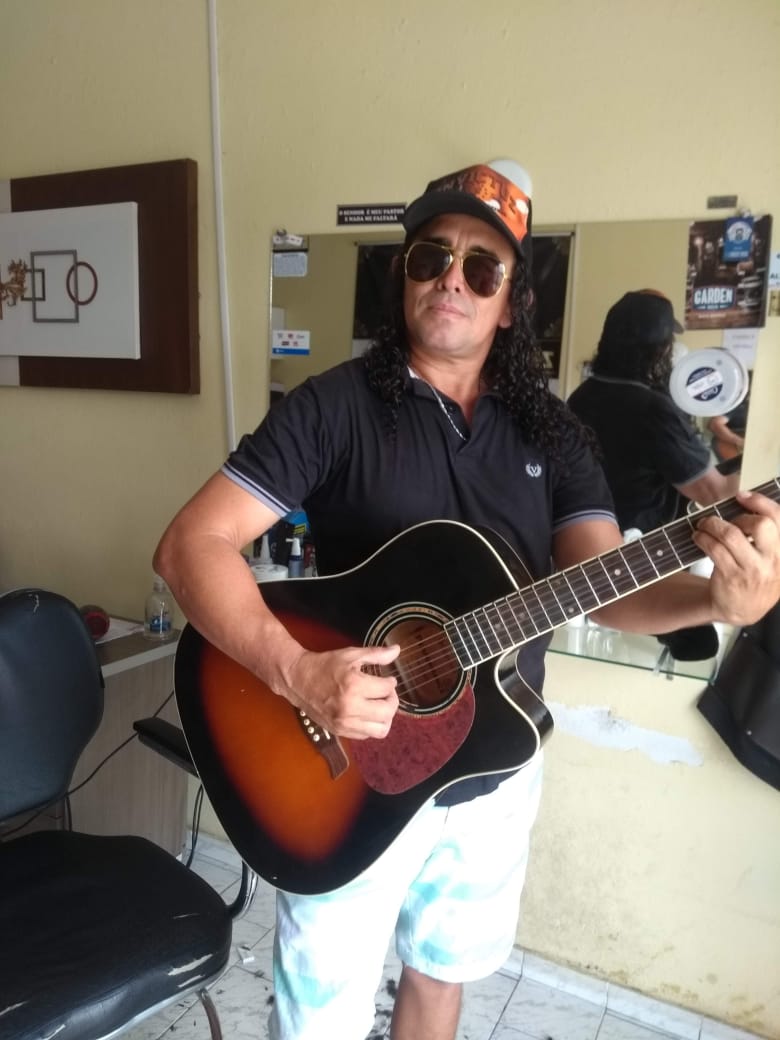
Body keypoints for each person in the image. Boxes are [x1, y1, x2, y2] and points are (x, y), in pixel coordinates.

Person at [153, 160, 780, 1040]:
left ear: (511, 302)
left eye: (483, 268)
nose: (453, 278)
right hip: (343, 765)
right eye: (432, 257)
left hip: (491, 767)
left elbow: (604, 584)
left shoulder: (556, 434)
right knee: (320, 1016)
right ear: (404, 278)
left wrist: (720, 603)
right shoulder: (333, 408)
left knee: (441, 979)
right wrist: (297, 672)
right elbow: (190, 546)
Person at [567, 290, 741, 534]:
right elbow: (716, 494)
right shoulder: (653, 410)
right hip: (642, 547)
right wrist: (754, 463)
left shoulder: (580, 397)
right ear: (661, 351)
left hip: (588, 536)